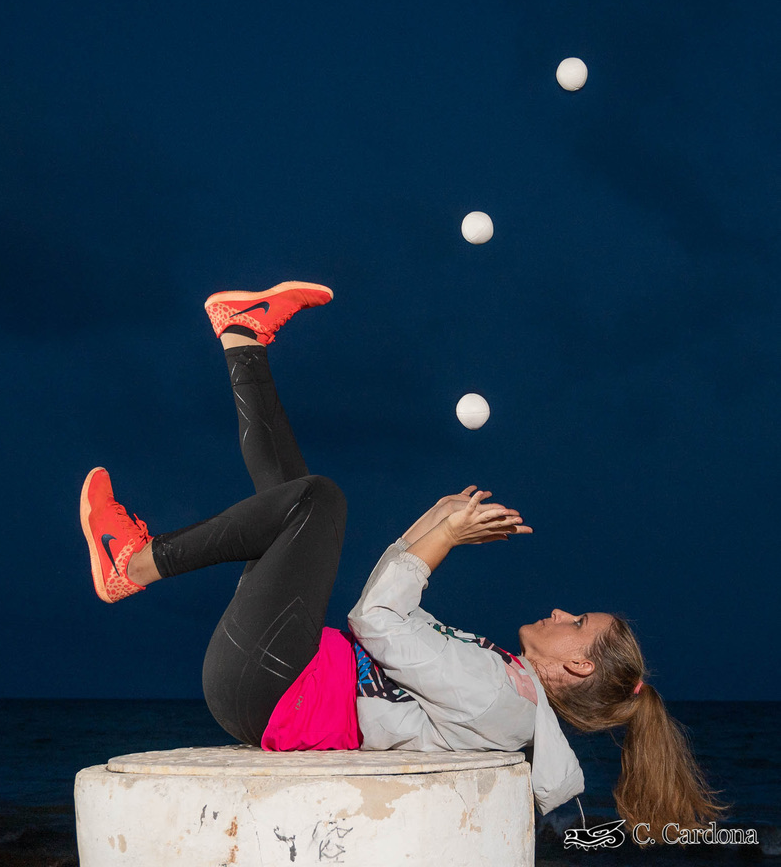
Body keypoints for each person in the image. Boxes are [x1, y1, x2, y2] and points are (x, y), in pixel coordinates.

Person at [80, 281, 723, 835]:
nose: (562, 610)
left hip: (276, 685)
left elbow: (376, 621)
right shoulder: (506, 685)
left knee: (319, 502)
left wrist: (443, 540)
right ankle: (242, 336)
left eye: (578, 620)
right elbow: (392, 599)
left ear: (578, 666)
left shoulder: (500, 697)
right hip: (280, 678)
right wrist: (439, 520)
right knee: (293, 498)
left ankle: (133, 563)